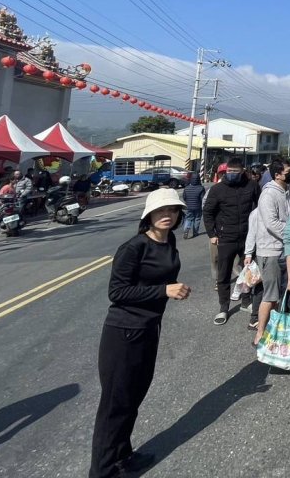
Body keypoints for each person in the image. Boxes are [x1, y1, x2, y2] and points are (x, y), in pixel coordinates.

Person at [89, 188, 191, 478]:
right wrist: (164, 290)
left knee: (133, 399)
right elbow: (117, 292)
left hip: (148, 329)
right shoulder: (134, 247)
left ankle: (123, 456)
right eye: (160, 211)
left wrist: (169, 291)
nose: (167, 215)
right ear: (148, 215)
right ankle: (102, 471)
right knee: (115, 405)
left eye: (172, 210)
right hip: (123, 333)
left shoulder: (169, 241)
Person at [203, 157, 260, 326]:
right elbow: (208, 212)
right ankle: (223, 307)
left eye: (235, 172)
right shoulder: (217, 189)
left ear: (243, 171)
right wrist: (212, 234)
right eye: (229, 172)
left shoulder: (252, 186)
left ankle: (246, 301)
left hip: (247, 238)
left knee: (249, 272)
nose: (232, 175)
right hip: (225, 237)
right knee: (224, 274)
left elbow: (260, 207)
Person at [246, 157, 290, 334]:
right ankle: (260, 332)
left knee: (283, 294)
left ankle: (275, 331)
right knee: (271, 295)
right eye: (288, 172)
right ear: (277, 175)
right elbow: (271, 223)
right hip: (271, 251)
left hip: (287, 250)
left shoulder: (289, 191)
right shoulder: (268, 194)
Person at [181, 173, 205, 239]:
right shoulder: (201, 188)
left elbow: (184, 197)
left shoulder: (186, 188)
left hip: (189, 206)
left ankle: (186, 229)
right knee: (197, 219)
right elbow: (202, 198)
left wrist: (187, 202)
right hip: (198, 207)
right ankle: (195, 232)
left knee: (188, 218)